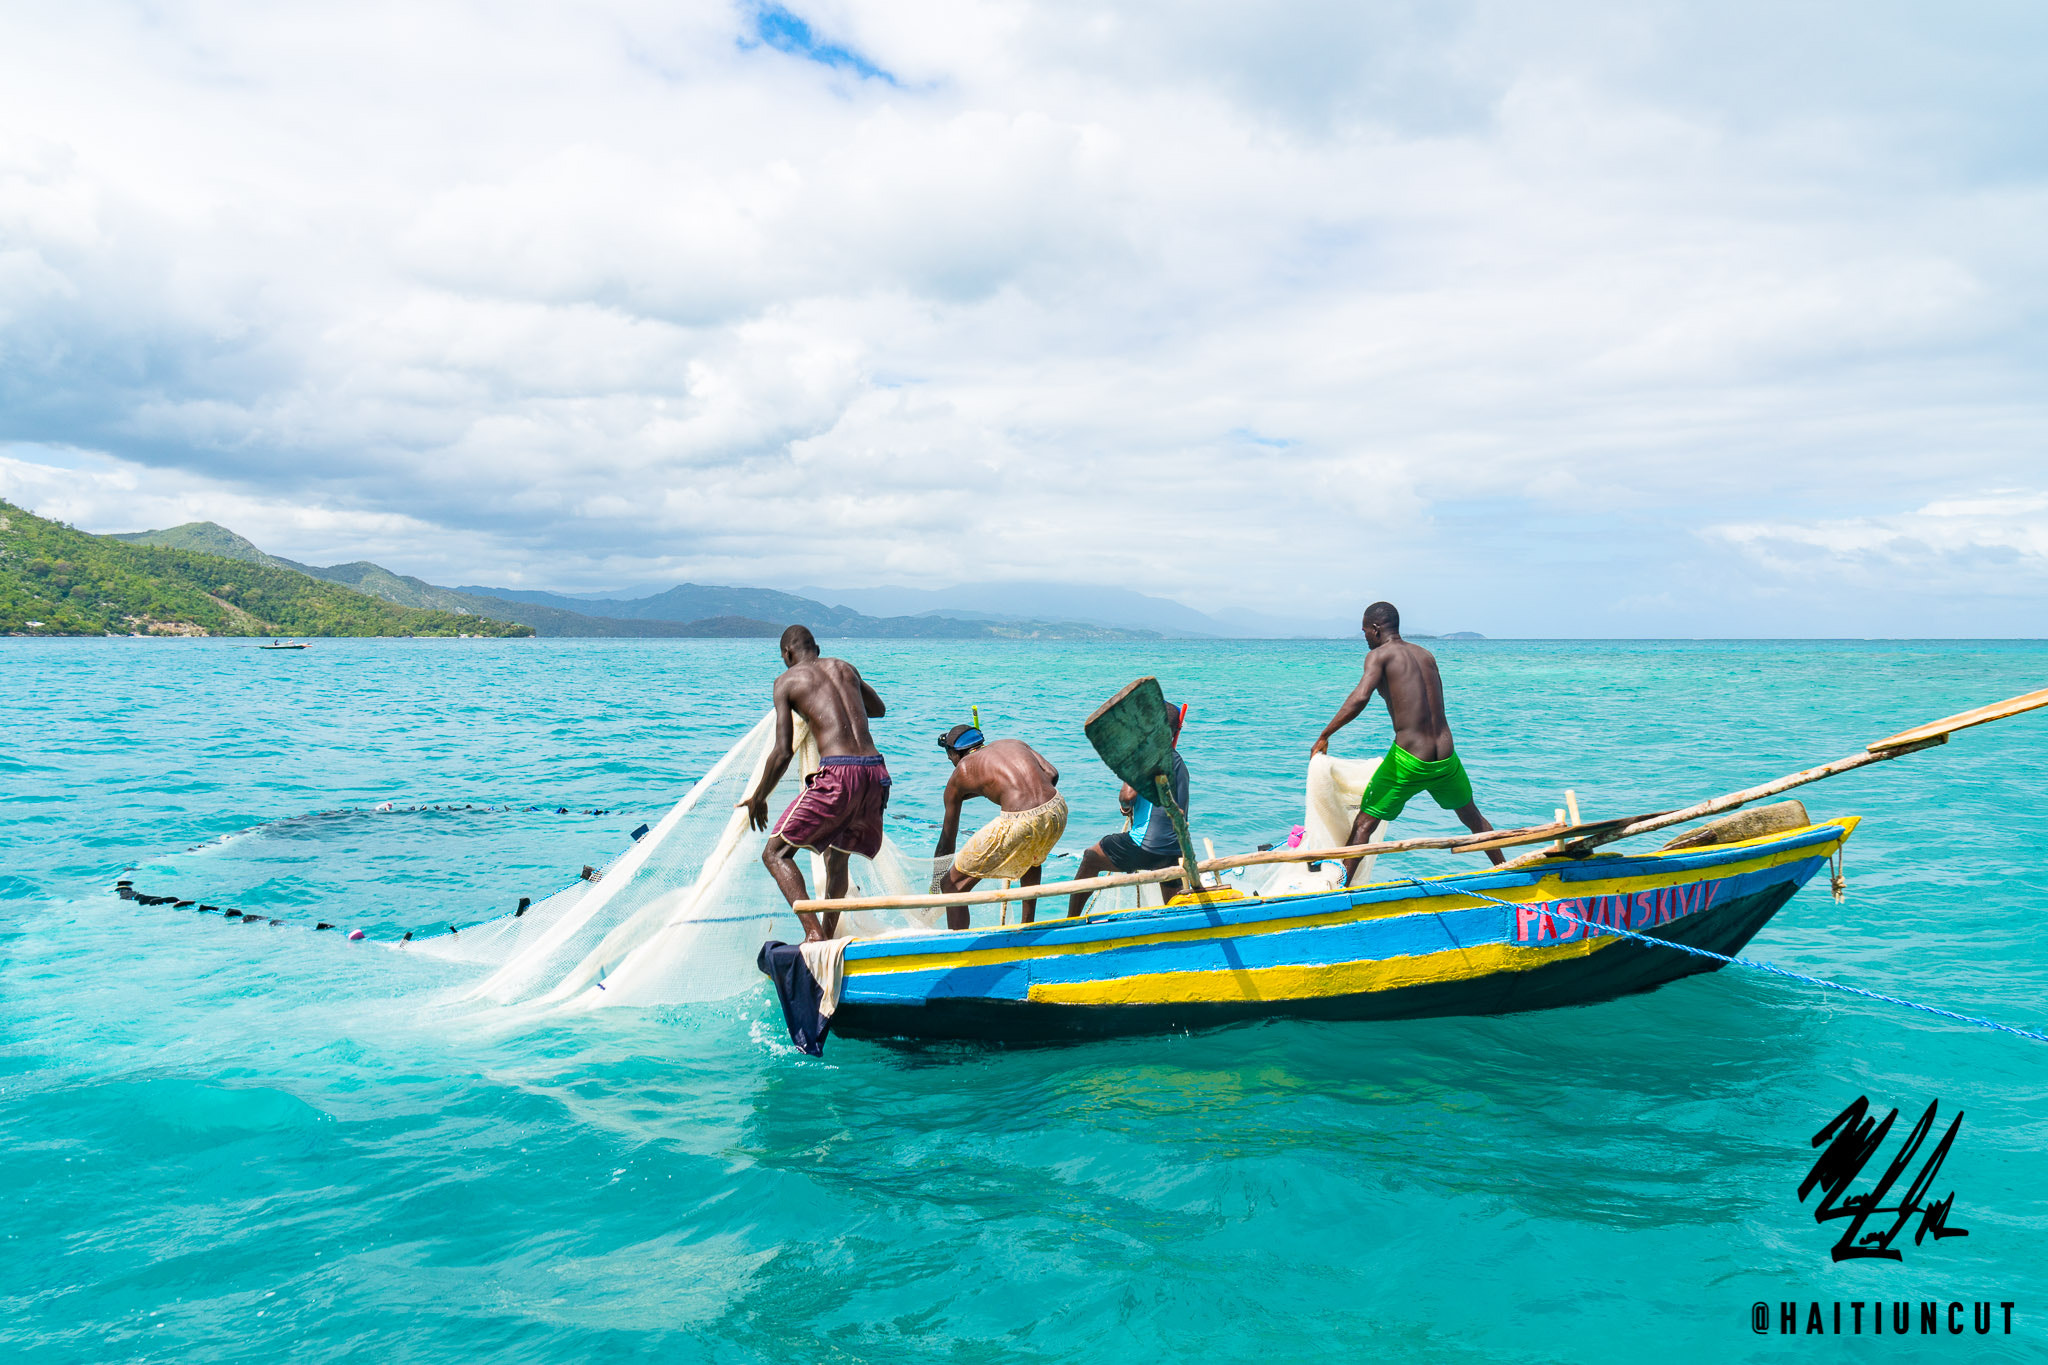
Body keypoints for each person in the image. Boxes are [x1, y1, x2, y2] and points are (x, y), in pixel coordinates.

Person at [1311, 601, 1504, 879]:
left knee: (1364, 823)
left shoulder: (1379, 656)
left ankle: (1339, 889)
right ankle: (1504, 868)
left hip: (1409, 760)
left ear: (1376, 630)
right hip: (1446, 759)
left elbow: (1360, 697)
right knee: (1472, 817)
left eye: (1365, 631)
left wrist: (1324, 735)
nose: (1365, 637)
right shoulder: (1425, 655)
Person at [737, 624, 891, 942]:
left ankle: (814, 936)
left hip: (840, 772)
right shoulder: (845, 668)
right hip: (875, 773)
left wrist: (759, 796)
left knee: (775, 854)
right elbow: (878, 709)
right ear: (816, 649)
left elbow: (782, 751)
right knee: (837, 858)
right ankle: (829, 936)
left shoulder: (786, 682)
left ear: (787, 654)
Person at [932, 724, 1068, 928]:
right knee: (1031, 859)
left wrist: (936, 881)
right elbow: (1052, 773)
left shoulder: (962, 771)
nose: (951, 762)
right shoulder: (1013, 743)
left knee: (952, 886)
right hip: (1058, 808)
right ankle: (1027, 928)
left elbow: (947, 840)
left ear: (953, 753)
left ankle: (957, 945)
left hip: (1020, 821)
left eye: (949, 757)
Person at [1066, 702, 1191, 918]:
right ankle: (1176, 922)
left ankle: (1071, 920)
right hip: (1175, 850)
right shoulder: (1179, 763)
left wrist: (1125, 801)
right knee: (1170, 891)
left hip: (1146, 845)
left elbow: (1128, 796)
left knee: (1090, 858)